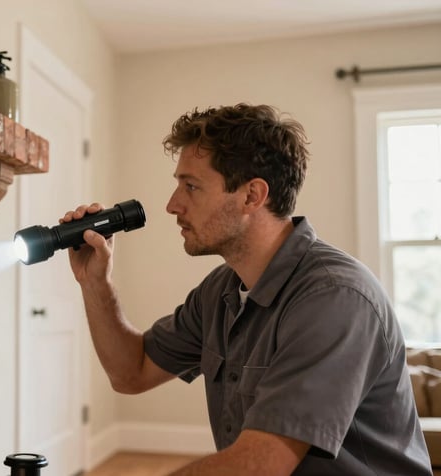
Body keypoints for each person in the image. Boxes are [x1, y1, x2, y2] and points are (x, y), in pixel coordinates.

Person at [61, 104, 432, 475]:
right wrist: (96, 282)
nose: (172, 205)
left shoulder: (335, 298)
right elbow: (132, 372)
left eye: (191, 186)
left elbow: (261, 465)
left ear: (252, 196)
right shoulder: (220, 292)